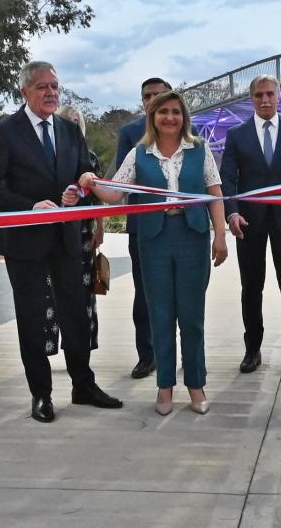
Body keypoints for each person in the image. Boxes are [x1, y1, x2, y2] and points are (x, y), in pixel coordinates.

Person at [0, 60, 122, 423]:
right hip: (24, 243)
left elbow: (78, 175)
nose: (51, 93)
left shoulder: (69, 131)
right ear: (25, 91)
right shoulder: (5, 132)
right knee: (31, 318)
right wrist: (29, 206)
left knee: (75, 312)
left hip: (66, 239)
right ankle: (41, 395)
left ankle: (83, 385)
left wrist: (78, 188)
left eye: (55, 87)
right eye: (42, 87)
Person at [82, 90, 227, 416]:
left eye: (176, 112)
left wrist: (220, 235)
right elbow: (116, 193)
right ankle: (164, 386)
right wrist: (91, 182)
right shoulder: (138, 153)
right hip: (154, 241)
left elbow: (214, 192)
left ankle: (196, 384)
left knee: (191, 317)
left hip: (192, 237)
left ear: (183, 117)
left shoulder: (199, 150)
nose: (170, 118)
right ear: (153, 117)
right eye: (164, 112)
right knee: (160, 315)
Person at [219, 74, 281, 375]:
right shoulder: (237, 135)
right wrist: (232, 213)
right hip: (249, 222)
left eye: (270, 93)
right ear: (251, 98)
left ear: (279, 96)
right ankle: (252, 349)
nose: (265, 99)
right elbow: (227, 178)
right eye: (259, 95)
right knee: (251, 288)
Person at [114, 76, 174, 380]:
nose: (152, 100)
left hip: (181, 227)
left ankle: (177, 351)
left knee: (179, 293)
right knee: (145, 293)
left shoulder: (185, 129)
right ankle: (146, 355)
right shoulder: (130, 134)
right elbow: (121, 182)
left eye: (158, 95)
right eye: (146, 96)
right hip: (143, 226)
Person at [58, 105, 105, 345]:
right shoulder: (53, 154)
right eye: (67, 120)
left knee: (86, 284)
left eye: (76, 121)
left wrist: (100, 227)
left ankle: (84, 341)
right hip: (57, 227)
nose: (72, 125)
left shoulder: (91, 158)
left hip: (84, 229)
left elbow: (99, 197)